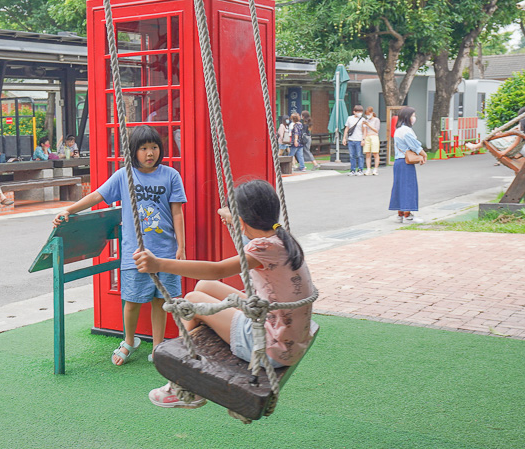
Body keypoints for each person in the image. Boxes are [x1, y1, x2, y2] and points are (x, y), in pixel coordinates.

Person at [134, 179, 315, 409]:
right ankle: (192, 366)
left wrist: (158, 264)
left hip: (270, 347)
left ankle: (185, 382)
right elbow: (215, 273)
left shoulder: (260, 248)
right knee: (204, 287)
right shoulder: (281, 240)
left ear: (241, 221)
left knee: (192, 300)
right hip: (289, 335)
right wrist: (233, 217)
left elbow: (217, 269)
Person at [53, 125, 187, 367]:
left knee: (161, 301)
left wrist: (181, 247)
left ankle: (158, 346)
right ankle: (128, 340)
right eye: (144, 148)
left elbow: (177, 212)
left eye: (154, 147)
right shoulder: (124, 175)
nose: (150, 153)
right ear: (134, 151)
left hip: (166, 251)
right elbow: (96, 196)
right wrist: (69, 210)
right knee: (132, 300)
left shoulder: (171, 176)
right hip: (135, 252)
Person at [389, 107, 427, 224]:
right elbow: (415, 145)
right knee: (409, 188)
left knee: (399, 188)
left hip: (398, 162)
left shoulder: (398, 130)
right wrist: (424, 154)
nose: (414, 118)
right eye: (413, 115)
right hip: (406, 163)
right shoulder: (406, 130)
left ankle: (400, 214)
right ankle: (408, 215)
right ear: (407, 117)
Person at [342, 105, 366, 176]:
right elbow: (347, 128)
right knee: (352, 155)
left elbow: (364, 130)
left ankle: (360, 169)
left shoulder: (362, 119)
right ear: (354, 112)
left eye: (360, 112)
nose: (359, 113)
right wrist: (344, 138)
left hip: (359, 139)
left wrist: (363, 139)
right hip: (351, 139)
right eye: (358, 112)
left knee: (359, 155)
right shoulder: (349, 118)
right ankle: (352, 170)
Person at [361, 107, 381, 175]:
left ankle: (375, 169)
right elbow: (364, 131)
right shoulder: (366, 120)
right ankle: (368, 169)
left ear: (372, 113)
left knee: (375, 153)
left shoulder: (376, 120)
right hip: (367, 137)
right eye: (366, 114)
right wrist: (363, 139)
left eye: (368, 114)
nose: (367, 115)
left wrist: (368, 125)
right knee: (367, 153)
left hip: (374, 136)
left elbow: (376, 130)